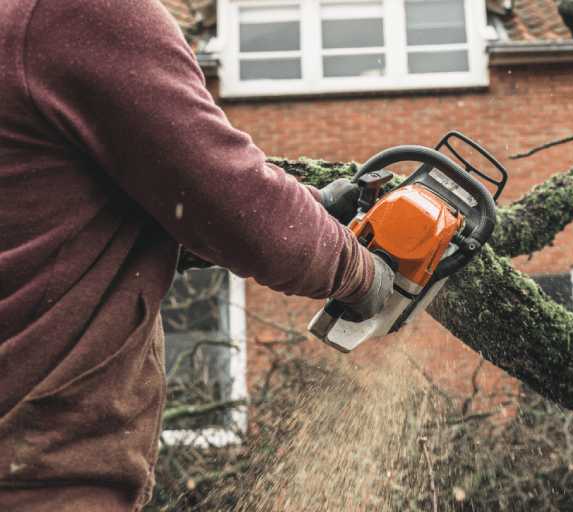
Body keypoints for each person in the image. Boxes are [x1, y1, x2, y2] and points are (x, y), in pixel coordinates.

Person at [0, 0, 394, 510]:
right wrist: (362, 274)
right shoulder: (79, 12)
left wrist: (311, 206)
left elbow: (62, 218)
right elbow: (228, 200)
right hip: (38, 478)